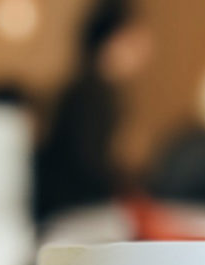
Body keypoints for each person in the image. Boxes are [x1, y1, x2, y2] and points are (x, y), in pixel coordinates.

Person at [34, 0, 151, 220]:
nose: (145, 52)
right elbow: (88, 171)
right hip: (71, 217)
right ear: (112, 39)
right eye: (135, 41)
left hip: (72, 213)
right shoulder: (91, 95)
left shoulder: (89, 90)